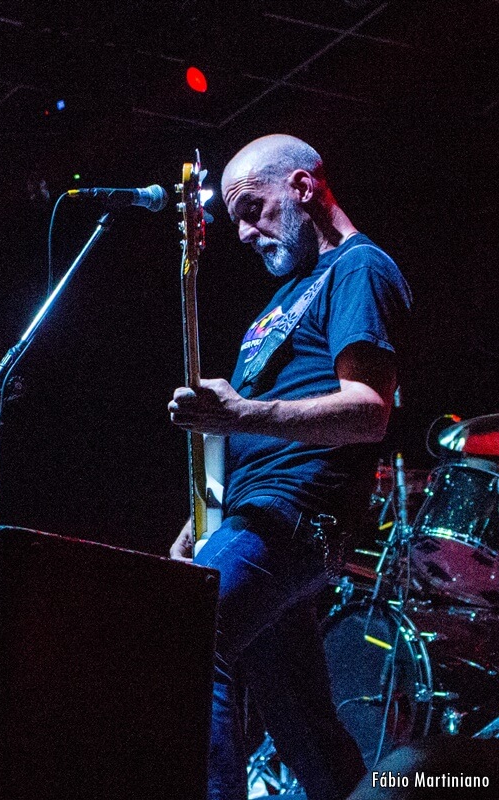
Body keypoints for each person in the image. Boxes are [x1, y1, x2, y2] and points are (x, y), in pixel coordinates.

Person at [168, 134, 411, 800]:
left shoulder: (357, 269)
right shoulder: (278, 304)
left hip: (295, 512)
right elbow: (245, 426)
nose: (244, 233)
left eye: (254, 208)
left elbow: (367, 410)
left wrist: (243, 413)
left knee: (187, 645)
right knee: (302, 723)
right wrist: (203, 516)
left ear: (303, 187)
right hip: (255, 512)